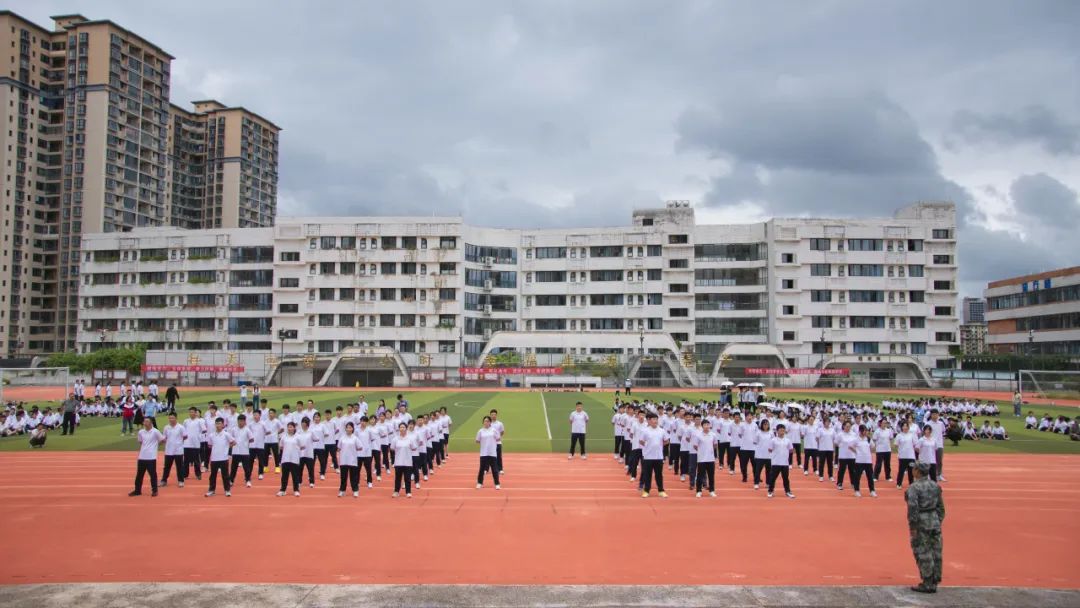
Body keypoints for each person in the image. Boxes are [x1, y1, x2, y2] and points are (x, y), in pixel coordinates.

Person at [905, 462, 945, 594]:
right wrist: (937, 520)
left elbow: (913, 508)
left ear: (917, 472)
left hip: (921, 522)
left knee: (923, 552)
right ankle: (935, 580)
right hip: (934, 520)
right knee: (936, 552)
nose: (912, 471)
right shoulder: (935, 486)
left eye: (914, 469)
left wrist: (913, 526)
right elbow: (941, 508)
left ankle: (927, 582)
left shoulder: (914, 488)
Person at [130, 418, 164, 497]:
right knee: (139, 475)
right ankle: (137, 490)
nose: (145, 423)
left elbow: (162, 440)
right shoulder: (141, 432)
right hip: (142, 456)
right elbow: (140, 441)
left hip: (151, 457)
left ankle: (154, 490)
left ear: (151, 423)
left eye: (147, 421)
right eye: (144, 421)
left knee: (152, 475)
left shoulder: (155, 431)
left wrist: (155, 446)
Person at [638, 412, 668, 498]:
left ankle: (661, 490)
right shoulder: (645, 430)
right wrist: (647, 446)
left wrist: (659, 445)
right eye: (653, 419)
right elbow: (641, 441)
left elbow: (666, 440)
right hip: (648, 456)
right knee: (648, 474)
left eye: (656, 419)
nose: (655, 421)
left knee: (659, 474)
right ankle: (646, 490)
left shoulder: (662, 430)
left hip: (658, 456)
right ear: (649, 421)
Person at [205, 417, 236, 498]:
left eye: (219, 423)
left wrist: (227, 448)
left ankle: (227, 490)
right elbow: (209, 445)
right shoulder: (211, 435)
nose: (218, 425)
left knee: (225, 475)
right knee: (212, 475)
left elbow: (234, 442)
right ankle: (211, 490)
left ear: (223, 425)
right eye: (216, 423)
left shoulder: (226, 434)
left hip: (224, 458)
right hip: (214, 458)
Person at [766, 423, 795, 499]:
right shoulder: (773, 440)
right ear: (777, 431)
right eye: (780, 430)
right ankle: (770, 491)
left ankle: (788, 491)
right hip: (776, 462)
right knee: (773, 478)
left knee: (786, 478)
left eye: (783, 430)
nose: (782, 432)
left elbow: (791, 450)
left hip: (785, 462)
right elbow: (769, 449)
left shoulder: (788, 440)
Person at [277, 422, 304, 497]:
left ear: (294, 428)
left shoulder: (298, 437)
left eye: (291, 427)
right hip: (285, 459)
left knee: (295, 476)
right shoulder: (284, 437)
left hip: (294, 459)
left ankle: (296, 490)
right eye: (288, 427)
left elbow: (302, 446)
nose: (289, 428)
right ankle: (283, 490)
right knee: (284, 476)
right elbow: (281, 447)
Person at [160, 413, 186, 488]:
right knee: (167, 467)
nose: (171, 420)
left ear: (176, 418)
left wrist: (178, 443)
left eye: (173, 418)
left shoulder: (181, 427)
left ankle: (181, 481)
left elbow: (185, 436)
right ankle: (164, 480)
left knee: (179, 466)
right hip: (169, 450)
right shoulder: (166, 427)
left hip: (178, 450)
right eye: (170, 418)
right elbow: (164, 437)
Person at [693, 419, 717, 498]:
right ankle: (699, 491)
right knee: (700, 475)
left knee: (711, 475)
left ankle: (712, 491)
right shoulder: (698, 435)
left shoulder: (713, 434)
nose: (707, 426)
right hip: (701, 459)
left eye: (708, 425)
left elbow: (715, 445)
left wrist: (710, 452)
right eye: (705, 425)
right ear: (702, 426)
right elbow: (695, 446)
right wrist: (701, 452)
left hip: (710, 459)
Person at [337, 422, 361, 498]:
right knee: (343, 477)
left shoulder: (355, 438)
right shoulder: (342, 437)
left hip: (352, 460)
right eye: (347, 427)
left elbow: (360, 447)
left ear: (353, 429)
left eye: (350, 427)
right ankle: (342, 491)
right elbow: (338, 448)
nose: (348, 429)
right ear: (345, 429)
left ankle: (355, 491)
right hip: (343, 460)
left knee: (353, 477)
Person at [475, 416, 500, 490]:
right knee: (482, 469)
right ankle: (480, 483)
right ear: (483, 422)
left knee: (494, 469)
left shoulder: (494, 430)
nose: (486, 422)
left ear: (490, 422)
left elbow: (498, 438)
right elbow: (477, 440)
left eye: (487, 421)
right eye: (484, 421)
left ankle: (497, 484)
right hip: (483, 453)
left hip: (492, 452)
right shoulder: (480, 431)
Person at [391, 422, 414, 497]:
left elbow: (414, 448)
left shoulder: (410, 439)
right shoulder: (395, 439)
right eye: (401, 427)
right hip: (398, 461)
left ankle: (408, 492)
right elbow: (392, 448)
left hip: (407, 462)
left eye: (403, 427)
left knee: (407, 478)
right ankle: (396, 491)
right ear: (399, 429)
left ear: (406, 428)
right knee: (398, 478)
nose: (402, 428)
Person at [490, 409, 506, 474]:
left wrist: (498, 437)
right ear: (490, 415)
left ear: (496, 415)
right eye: (492, 415)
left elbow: (502, 432)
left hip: (497, 442)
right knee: (488, 456)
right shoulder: (488, 423)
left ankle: (500, 469)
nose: (493, 416)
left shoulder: (500, 423)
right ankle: (486, 469)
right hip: (490, 443)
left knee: (499, 456)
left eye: (494, 415)